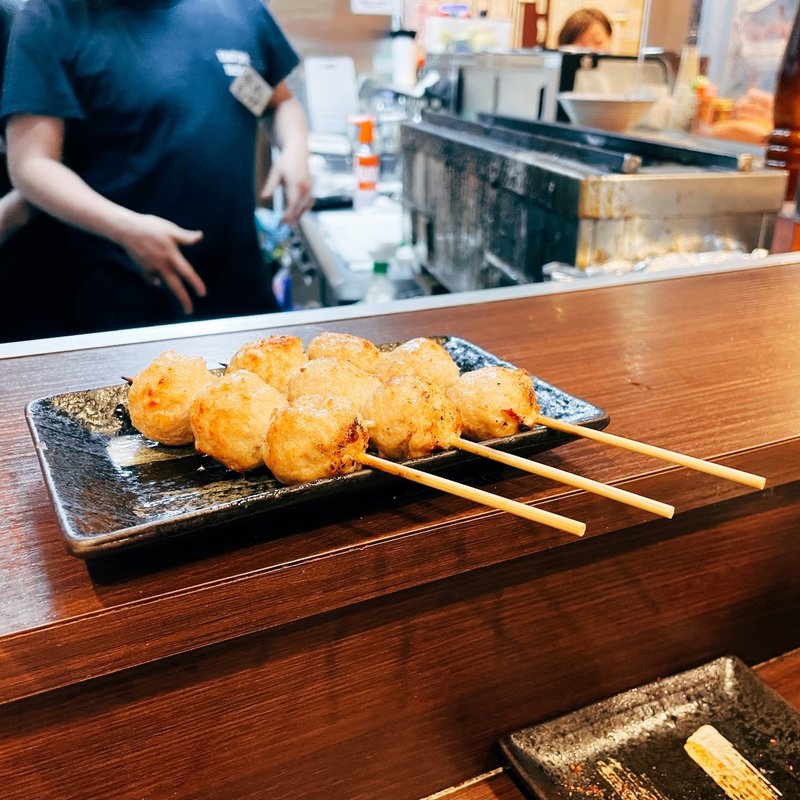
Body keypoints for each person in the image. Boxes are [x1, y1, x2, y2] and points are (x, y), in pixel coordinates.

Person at [2, 0, 314, 335]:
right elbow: (31, 163)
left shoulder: (240, 9)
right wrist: (127, 229)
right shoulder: (53, 16)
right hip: (125, 293)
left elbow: (278, 103)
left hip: (239, 281)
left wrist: (295, 148)